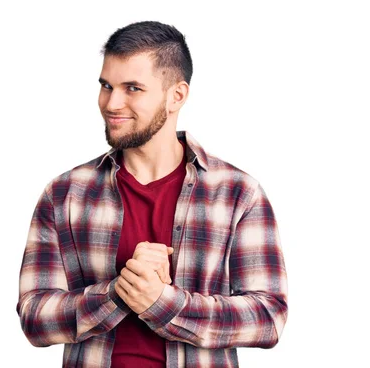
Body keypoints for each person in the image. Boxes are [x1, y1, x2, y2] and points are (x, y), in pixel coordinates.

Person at [16, 20, 288, 368]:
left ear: (176, 95)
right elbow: (35, 318)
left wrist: (162, 302)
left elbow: (268, 318)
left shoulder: (238, 193)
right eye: (106, 85)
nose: (112, 102)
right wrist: (117, 294)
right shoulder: (65, 193)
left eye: (132, 88)